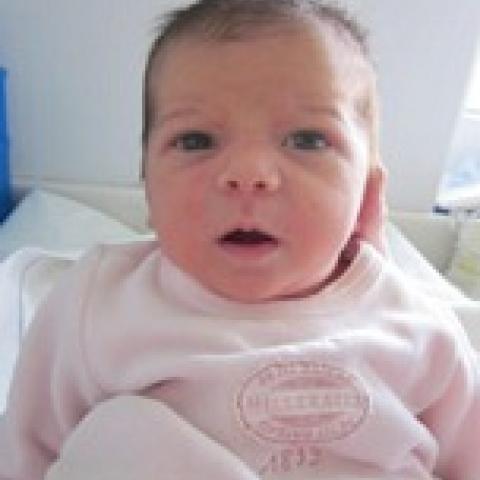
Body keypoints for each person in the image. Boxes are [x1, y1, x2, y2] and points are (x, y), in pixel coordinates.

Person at [0, 1, 479, 479]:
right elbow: (28, 451)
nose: (248, 173)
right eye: (196, 141)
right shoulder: (100, 303)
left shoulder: (419, 328)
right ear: (148, 188)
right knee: (124, 436)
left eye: (308, 140)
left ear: (368, 195)